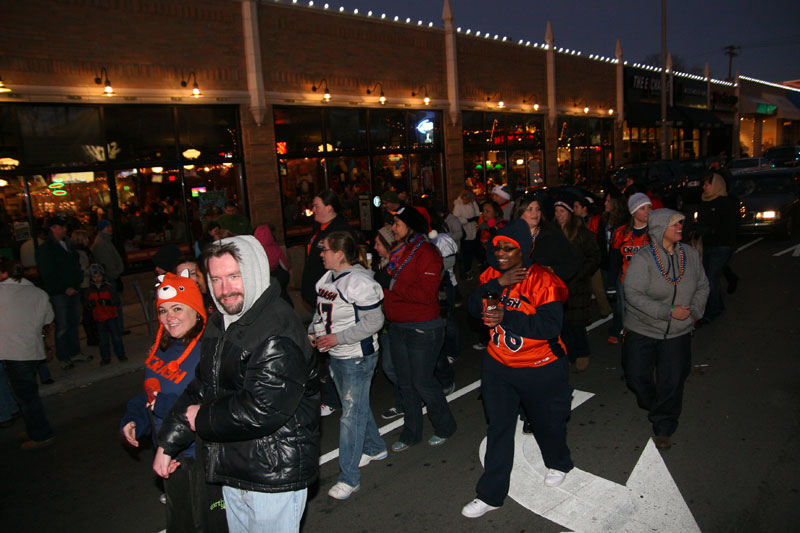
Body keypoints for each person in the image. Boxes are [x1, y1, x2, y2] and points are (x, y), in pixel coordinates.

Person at [156, 236, 319, 532]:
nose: (224, 290)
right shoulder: (222, 322)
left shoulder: (277, 328)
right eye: (216, 279)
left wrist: (201, 417)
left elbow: (262, 409)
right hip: (233, 466)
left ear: (255, 272)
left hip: (272, 474)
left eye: (234, 276)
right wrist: (169, 442)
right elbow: (202, 386)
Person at [462, 220, 573, 519]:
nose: (500, 253)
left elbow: (550, 326)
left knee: (547, 424)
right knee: (499, 428)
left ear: (523, 250)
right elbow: (472, 306)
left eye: (508, 248)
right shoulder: (490, 275)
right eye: (497, 246)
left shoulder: (542, 280)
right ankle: (490, 494)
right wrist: (498, 284)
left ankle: (559, 462)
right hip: (499, 366)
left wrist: (505, 316)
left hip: (540, 366)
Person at [120, 270, 226, 531]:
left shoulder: (209, 351)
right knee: (181, 523)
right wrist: (134, 419)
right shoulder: (161, 349)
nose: (169, 318)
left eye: (177, 308)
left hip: (201, 456)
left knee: (211, 524)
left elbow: (211, 407)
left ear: (197, 311)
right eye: (163, 311)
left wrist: (164, 411)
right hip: (170, 455)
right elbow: (150, 395)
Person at [622, 209, 709, 450]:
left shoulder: (690, 255)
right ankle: (656, 403)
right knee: (636, 377)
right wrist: (667, 311)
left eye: (681, 224)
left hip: (678, 332)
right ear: (660, 229)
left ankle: (664, 425)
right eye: (675, 225)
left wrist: (694, 311)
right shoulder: (643, 259)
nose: (680, 228)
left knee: (672, 380)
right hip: (642, 328)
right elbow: (632, 294)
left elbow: (702, 285)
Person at [310, 231, 387, 500]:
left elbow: (374, 322)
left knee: (350, 416)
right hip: (337, 354)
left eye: (326, 250)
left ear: (339, 254)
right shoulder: (328, 277)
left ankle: (349, 477)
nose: (321, 254)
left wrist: (337, 337)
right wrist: (314, 330)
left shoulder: (358, 282)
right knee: (354, 406)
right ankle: (375, 448)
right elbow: (321, 310)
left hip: (357, 356)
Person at [375, 206, 457, 451]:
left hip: (423, 327)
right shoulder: (402, 251)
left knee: (422, 381)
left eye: (397, 223)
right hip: (398, 325)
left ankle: (445, 425)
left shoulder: (428, 253)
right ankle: (411, 432)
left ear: (411, 227)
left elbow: (424, 294)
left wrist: (390, 282)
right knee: (405, 382)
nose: (393, 228)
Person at [301, 189, 355, 416]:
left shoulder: (340, 230)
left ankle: (333, 398)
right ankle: (332, 388)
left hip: (331, 299)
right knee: (325, 345)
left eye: (317, 205)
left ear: (330, 207)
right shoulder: (318, 228)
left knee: (332, 345)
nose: (314, 209)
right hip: (318, 297)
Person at [0, 258, 56, 450]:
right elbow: (48, 318)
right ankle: (34, 428)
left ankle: (41, 433)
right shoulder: (38, 293)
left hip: (13, 352)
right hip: (31, 351)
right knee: (29, 394)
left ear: (4, 274)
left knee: (27, 398)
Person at [34, 216, 89, 369]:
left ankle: (75, 352)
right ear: (53, 229)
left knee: (73, 322)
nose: (65, 230)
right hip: (59, 293)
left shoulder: (68, 244)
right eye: (62, 227)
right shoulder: (46, 249)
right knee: (62, 325)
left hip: (73, 289)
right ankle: (64, 356)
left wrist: (76, 283)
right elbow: (48, 273)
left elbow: (75, 265)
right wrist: (64, 288)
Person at [553, 197, 600, 371]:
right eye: (556, 211)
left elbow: (594, 256)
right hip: (558, 284)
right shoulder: (552, 233)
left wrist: (580, 274)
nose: (559, 215)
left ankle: (582, 352)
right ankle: (568, 353)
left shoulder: (581, 233)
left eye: (562, 211)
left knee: (577, 322)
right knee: (563, 323)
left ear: (570, 213)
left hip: (578, 284)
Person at [607, 193, 652, 344]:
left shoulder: (655, 231)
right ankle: (627, 333)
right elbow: (614, 259)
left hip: (650, 281)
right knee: (624, 309)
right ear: (633, 211)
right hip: (627, 280)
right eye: (643, 208)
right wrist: (611, 284)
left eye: (649, 208)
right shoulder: (622, 233)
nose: (647, 211)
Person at [695, 172, 737, 326]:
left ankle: (711, 311)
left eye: (707, 184)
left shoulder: (726, 202)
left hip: (723, 244)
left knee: (711, 277)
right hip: (708, 244)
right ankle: (717, 306)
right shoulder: (704, 201)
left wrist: (711, 230)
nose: (704, 187)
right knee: (708, 277)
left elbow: (730, 226)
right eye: (703, 184)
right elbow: (700, 220)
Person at [87, 264, 127, 365]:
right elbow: (86, 304)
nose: (97, 279)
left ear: (102, 276)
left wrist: (108, 302)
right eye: (94, 277)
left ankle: (120, 354)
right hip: (99, 319)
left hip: (111, 317)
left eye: (99, 276)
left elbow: (116, 301)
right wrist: (90, 305)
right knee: (103, 340)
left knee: (116, 337)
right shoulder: (89, 290)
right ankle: (105, 357)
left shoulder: (108, 287)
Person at [91, 219, 126, 331]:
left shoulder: (106, 241)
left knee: (115, 303)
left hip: (113, 275)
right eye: (107, 227)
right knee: (113, 304)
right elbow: (106, 263)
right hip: (111, 277)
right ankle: (118, 328)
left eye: (110, 226)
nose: (110, 229)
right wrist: (115, 273)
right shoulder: (101, 243)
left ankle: (118, 327)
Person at [253, 223, 293, 308]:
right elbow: (284, 265)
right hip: (275, 275)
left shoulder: (254, 249)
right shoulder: (275, 247)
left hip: (262, 278)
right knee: (282, 294)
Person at [71, 229, 98, 347]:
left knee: (90, 311)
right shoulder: (80, 253)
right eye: (86, 238)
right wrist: (93, 271)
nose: (88, 240)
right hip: (85, 284)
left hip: (87, 283)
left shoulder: (85, 251)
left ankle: (93, 335)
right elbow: (82, 270)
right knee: (88, 311)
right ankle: (91, 337)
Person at [452, 189, 481, 278]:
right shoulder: (458, 205)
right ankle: (465, 270)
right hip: (464, 231)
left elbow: (477, 214)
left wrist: (475, 219)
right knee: (466, 252)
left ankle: (468, 269)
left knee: (471, 251)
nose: (466, 201)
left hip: (473, 229)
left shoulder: (473, 203)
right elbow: (456, 219)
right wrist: (467, 220)